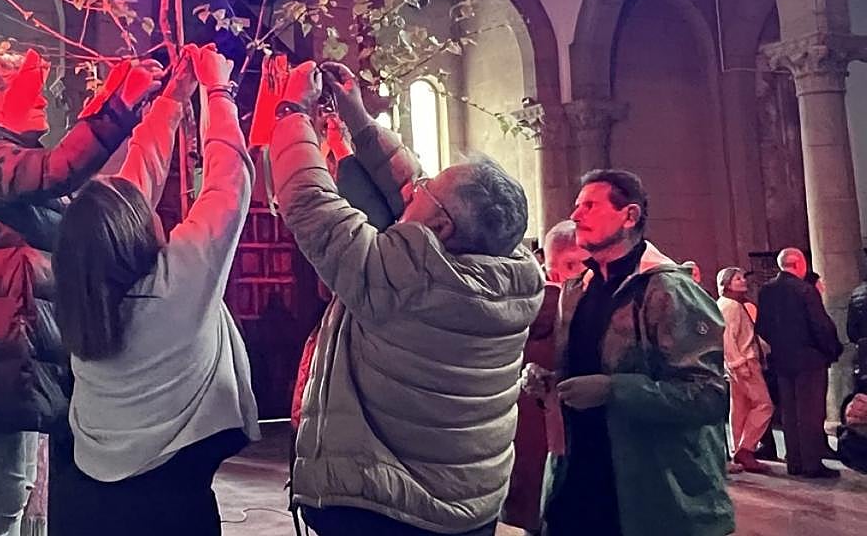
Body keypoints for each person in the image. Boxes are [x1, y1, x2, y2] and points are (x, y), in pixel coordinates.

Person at [270, 61, 543, 536]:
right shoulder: (513, 272)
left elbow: (312, 205)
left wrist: (292, 112)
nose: (414, 187)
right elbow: (410, 184)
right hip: (468, 505)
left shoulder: (406, 280)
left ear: (441, 229)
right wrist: (358, 118)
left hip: (391, 511)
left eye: (425, 192)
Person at [0, 46, 164, 536]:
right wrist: (115, 109)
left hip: (16, 350)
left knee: (15, 493)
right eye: (26, 94)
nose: (42, 104)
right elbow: (57, 170)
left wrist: (116, 98)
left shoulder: (2, 164)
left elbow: (71, 182)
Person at [52, 44, 258, 536]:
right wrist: (217, 90)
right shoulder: (174, 286)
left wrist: (172, 100)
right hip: (170, 505)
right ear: (135, 232)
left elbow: (130, 186)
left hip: (85, 499)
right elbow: (228, 186)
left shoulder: (84, 289)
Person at [536, 169, 732, 536]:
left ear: (629, 216)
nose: (576, 215)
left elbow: (708, 396)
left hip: (650, 492)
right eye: (577, 206)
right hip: (578, 480)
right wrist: (550, 383)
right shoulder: (578, 289)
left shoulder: (669, 291)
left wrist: (615, 390)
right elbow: (581, 370)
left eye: (590, 206)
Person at [503, 221, 586, 534]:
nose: (585, 272)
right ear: (552, 271)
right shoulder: (559, 309)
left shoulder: (520, 308)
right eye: (575, 264)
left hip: (526, 436)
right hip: (555, 437)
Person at [755, 247, 843, 478]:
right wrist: (831, 349)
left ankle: (794, 461)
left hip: (782, 360)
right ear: (799, 264)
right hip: (809, 359)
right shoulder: (804, 290)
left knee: (790, 412)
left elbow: (762, 326)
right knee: (811, 412)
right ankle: (812, 463)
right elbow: (820, 325)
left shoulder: (766, 290)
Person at [715, 266, 772, 474]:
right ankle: (746, 448)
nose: (743, 281)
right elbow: (727, 338)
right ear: (727, 283)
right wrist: (738, 363)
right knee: (764, 405)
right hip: (744, 363)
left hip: (736, 363)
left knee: (740, 407)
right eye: (737, 278)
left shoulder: (728, 304)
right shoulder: (731, 306)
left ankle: (739, 448)